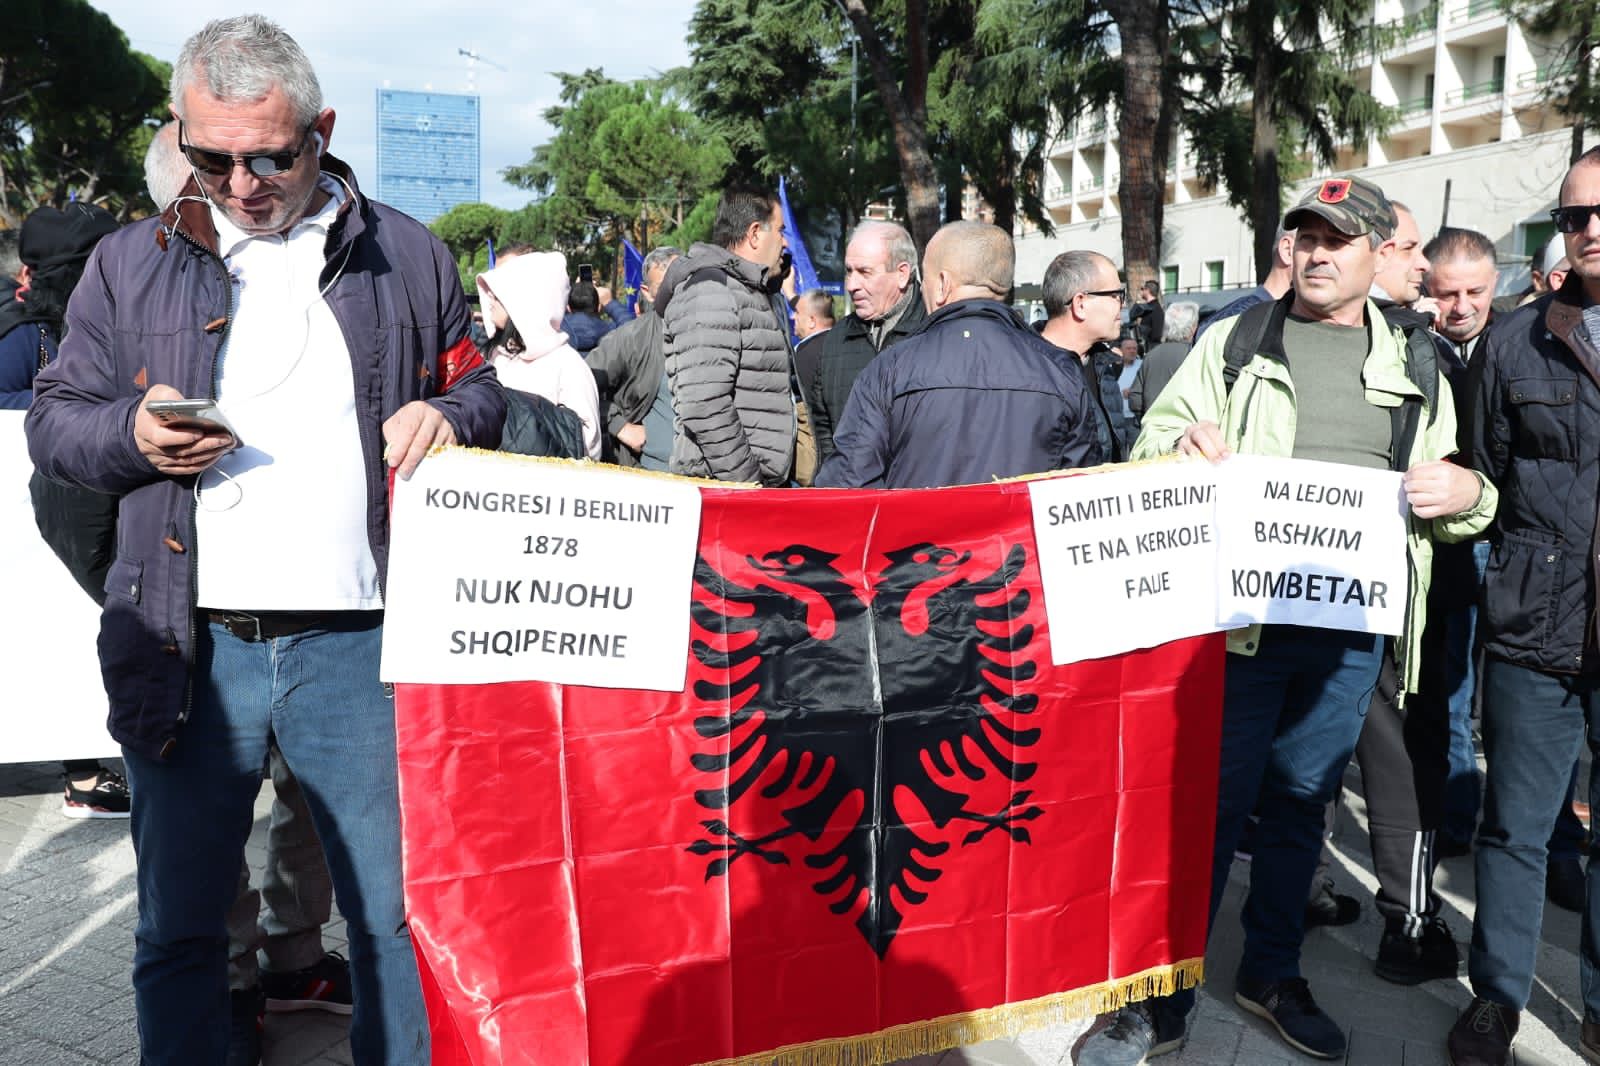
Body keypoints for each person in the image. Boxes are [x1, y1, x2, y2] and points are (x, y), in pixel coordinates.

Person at [24, 16, 505, 1066]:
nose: (239, 182)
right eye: (208, 157)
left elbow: (479, 386)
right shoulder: (125, 264)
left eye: (268, 156)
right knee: (181, 929)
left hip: (366, 651)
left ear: (321, 132)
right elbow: (55, 421)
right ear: (181, 137)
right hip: (187, 649)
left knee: (391, 924)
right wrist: (132, 433)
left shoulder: (409, 254)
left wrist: (453, 416)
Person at [1078, 175, 1494, 1066]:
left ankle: (1269, 972)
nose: (1313, 252)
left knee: (1302, 811)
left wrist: (1463, 492)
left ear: (1378, 252)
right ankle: (1161, 998)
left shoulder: (1417, 362)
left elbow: (1465, 492)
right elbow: (1150, 442)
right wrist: (1181, 445)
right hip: (1236, 632)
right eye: (1303, 235)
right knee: (1206, 815)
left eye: (1335, 239)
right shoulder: (1234, 340)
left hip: (1349, 638)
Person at [1448, 146, 1600, 1066]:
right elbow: (1484, 477)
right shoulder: (1516, 340)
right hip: (1536, 626)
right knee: (1515, 828)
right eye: (1575, 213)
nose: (1589, 228)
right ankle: (1496, 999)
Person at [815, 220, 1101, 488]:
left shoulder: (890, 369)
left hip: (918, 540)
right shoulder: (1059, 370)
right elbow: (1078, 494)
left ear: (942, 284)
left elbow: (849, 485)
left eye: (922, 280)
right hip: (1018, 542)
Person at [1420, 226, 1498, 860]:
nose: (1462, 305)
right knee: (1448, 693)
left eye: (1475, 291)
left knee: (1510, 705)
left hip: (1514, 546)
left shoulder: (1523, 343)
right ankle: (1451, 819)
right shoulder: (1414, 349)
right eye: (1448, 293)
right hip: (1445, 548)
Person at [656, 184, 795, 485]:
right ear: (755, 233)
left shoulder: (746, 290)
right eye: (781, 230)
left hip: (747, 488)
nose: (784, 242)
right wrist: (747, 481)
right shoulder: (710, 291)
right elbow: (704, 403)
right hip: (728, 492)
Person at [809, 221, 925, 461]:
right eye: (849, 271)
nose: (851, 285)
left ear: (902, 274)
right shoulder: (835, 341)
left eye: (864, 272)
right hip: (849, 495)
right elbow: (824, 433)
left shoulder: (935, 332)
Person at [477, 251, 602, 460]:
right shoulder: (492, 356)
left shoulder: (569, 365)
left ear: (525, 303)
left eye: (499, 295)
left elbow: (587, 446)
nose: (489, 301)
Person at [589, 246, 680, 470]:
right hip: (652, 477)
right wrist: (620, 426)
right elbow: (580, 383)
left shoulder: (716, 329)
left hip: (713, 481)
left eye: (683, 281)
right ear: (647, 292)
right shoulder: (631, 338)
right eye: (665, 286)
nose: (677, 291)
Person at [1038, 250, 1129, 461]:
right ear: (1080, 304)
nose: (1122, 304)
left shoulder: (1103, 365)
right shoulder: (1028, 374)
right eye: (1116, 295)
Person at [1193, 226, 1295, 343]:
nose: (1319, 257)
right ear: (1287, 250)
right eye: (1310, 242)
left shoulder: (1293, 320)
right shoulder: (1231, 321)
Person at [1127, 300, 1198, 421]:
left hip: (1152, 427)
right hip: (1185, 428)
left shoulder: (1151, 355)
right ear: (1192, 328)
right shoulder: (1195, 355)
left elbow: (1135, 399)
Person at [561, 278, 634, 354]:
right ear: (599, 307)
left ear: (568, 308)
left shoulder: (555, 334)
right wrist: (609, 302)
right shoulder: (610, 332)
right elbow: (631, 329)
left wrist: (575, 294)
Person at [1127, 278, 1164, 353]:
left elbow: (1156, 335)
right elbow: (1132, 316)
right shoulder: (1149, 308)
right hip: (1147, 348)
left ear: (1147, 290)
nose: (1141, 291)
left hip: (1151, 350)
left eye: (1142, 289)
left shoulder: (1155, 309)